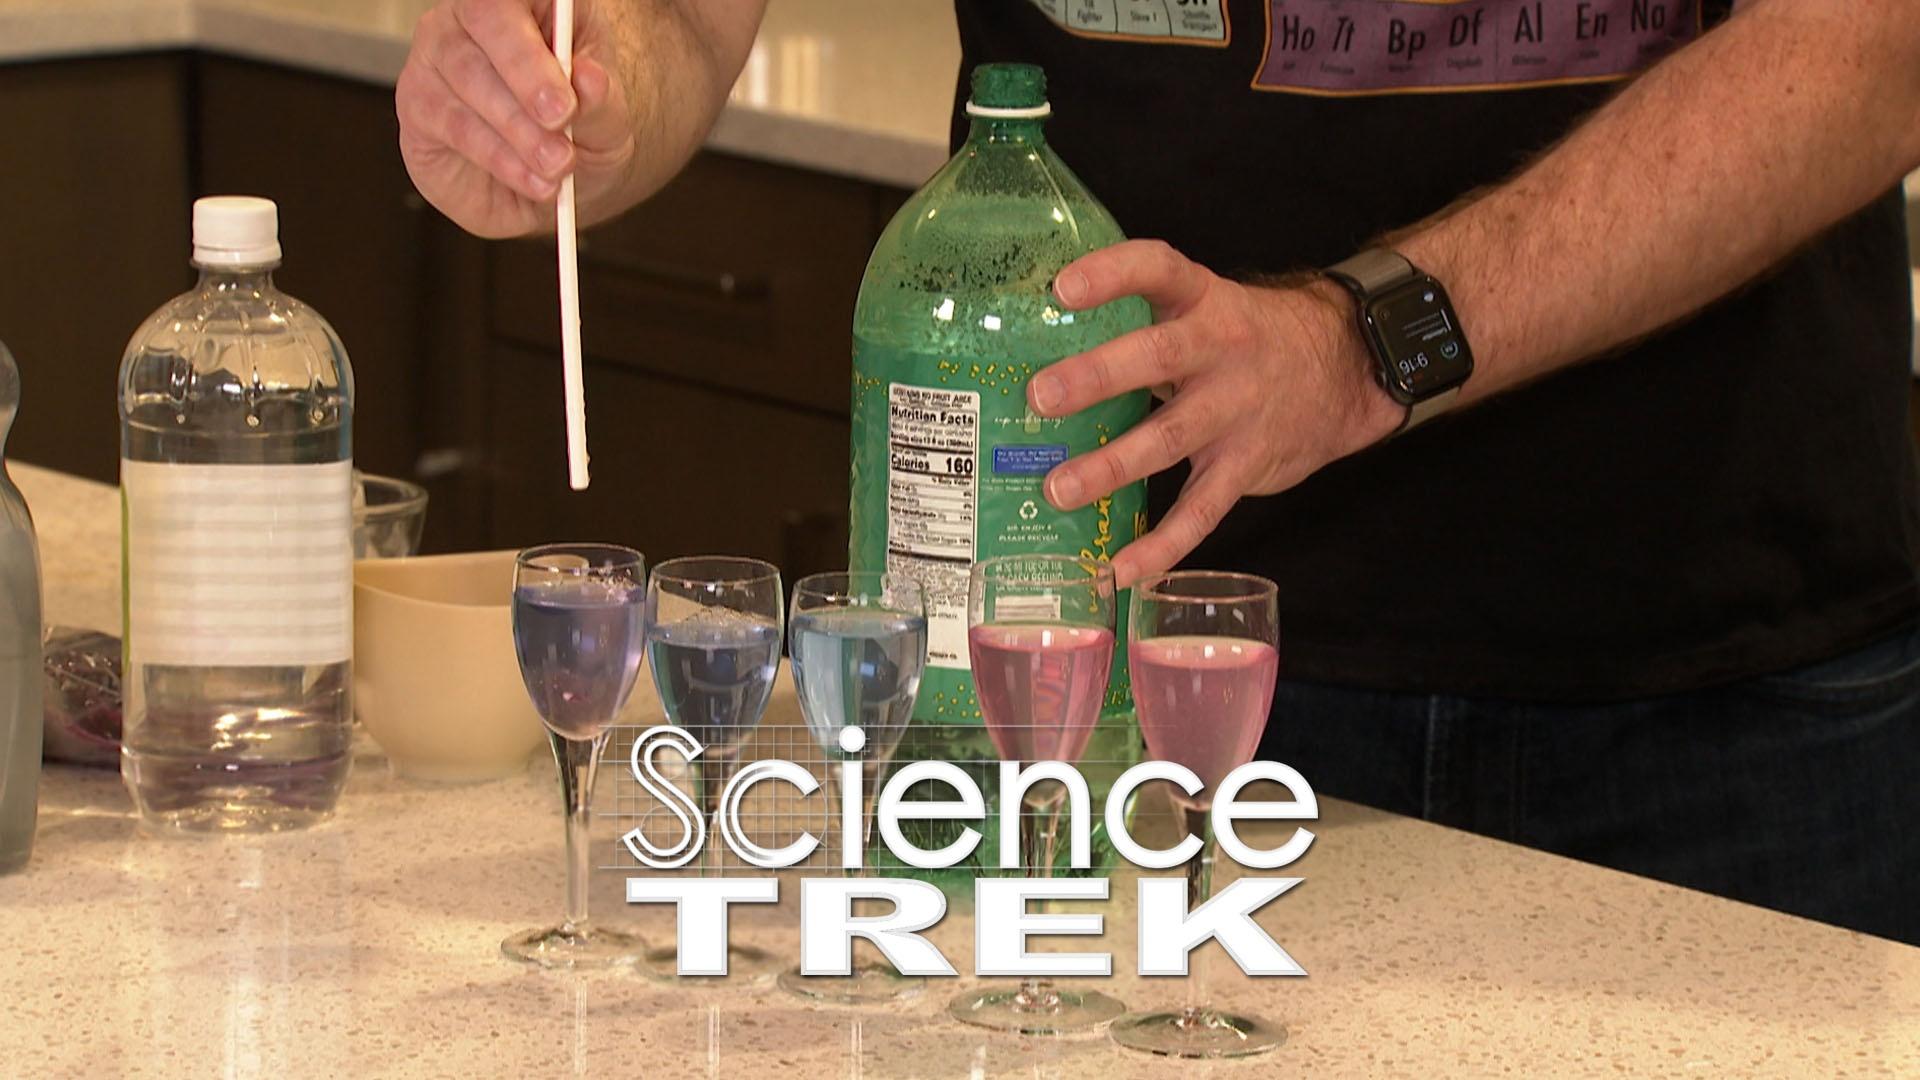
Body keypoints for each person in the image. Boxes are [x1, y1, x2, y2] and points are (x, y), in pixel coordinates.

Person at [396, 0, 1920, 944]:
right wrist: (572, 96)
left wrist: (1371, 340)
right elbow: (672, 19)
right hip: (1115, 687)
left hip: (1722, 693)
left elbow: (1865, 42)